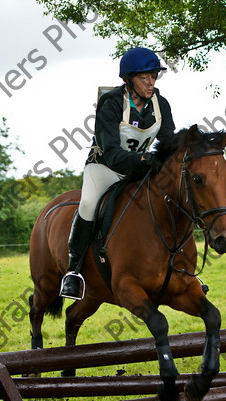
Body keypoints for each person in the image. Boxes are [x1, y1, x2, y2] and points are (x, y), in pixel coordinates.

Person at [60, 47, 176, 300]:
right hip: (105, 168)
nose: (151, 81)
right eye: (145, 77)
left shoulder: (161, 104)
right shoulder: (111, 103)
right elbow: (112, 153)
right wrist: (146, 159)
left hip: (139, 171)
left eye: (154, 75)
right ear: (129, 79)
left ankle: (179, 265)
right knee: (89, 204)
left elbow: (168, 144)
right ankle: (73, 271)